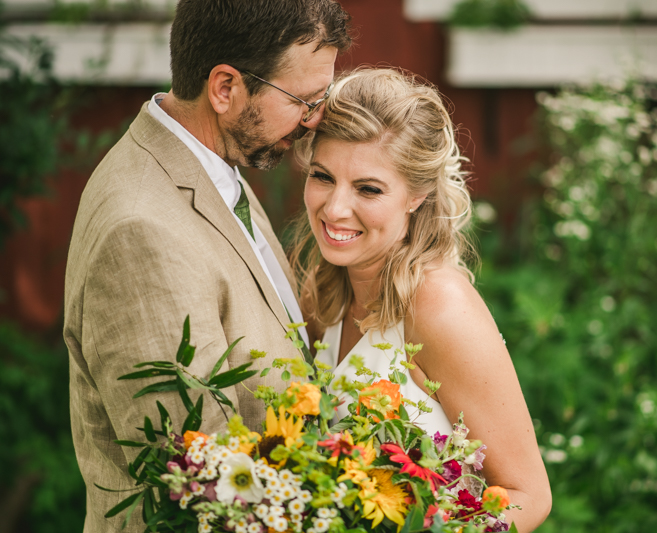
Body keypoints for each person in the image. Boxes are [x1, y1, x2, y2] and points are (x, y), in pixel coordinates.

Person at [63, 1, 351, 531]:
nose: (314, 121)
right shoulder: (142, 231)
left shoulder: (214, 170)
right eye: (303, 101)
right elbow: (200, 484)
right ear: (224, 88)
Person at [290, 68, 552, 532]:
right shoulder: (322, 290)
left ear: (417, 194)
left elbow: (528, 496)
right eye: (323, 176)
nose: (334, 209)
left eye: (368, 188)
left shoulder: (438, 305)